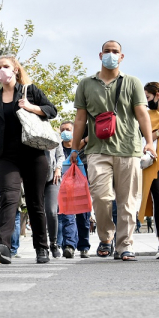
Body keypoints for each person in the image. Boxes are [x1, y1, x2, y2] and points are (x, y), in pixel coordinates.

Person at [71, 40, 156, 261]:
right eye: (107, 51)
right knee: (101, 197)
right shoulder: (86, 84)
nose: (111, 55)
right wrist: (74, 147)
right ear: (100, 55)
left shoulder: (132, 82)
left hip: (128, 149)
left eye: (115, 51)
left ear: (122, 56)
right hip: (97, 150)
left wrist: (148, 141)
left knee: (127, 201)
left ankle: (124, 245)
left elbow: (142, 113)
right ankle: (106, 237)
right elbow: (80, 119)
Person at [0, 55, 58, 264]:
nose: (2, 70)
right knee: (9, 198)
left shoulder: (30, 91)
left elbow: (52, 110)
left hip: (33, 154)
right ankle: (4, 246)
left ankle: (42, 248)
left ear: (15, 69)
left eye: (5, 66)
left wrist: (30, 107)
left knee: (35, 202)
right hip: (7, 156)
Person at [59, 120, 91, 258]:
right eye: (62, 130)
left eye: (68, 129)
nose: (65, 132)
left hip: (82, 186)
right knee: (67, 216)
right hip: (64, 188)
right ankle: (69, 246)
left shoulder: (82, 149)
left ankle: (83, 247)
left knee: (83, 216)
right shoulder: (58, 148)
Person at [137, 81, 159, 258]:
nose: (147, 100)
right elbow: (145, 136)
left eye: (148, 97)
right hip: (154, 168)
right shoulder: (147, 115)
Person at [44, 143, 66, 258]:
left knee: (51, 211)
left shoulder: (54, 136)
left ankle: (53, 242)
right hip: (35, 178)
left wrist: (58, 168)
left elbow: (61, 156)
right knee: (37, 213)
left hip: (52, 179)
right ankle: (41, 246)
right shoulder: (29, 132)